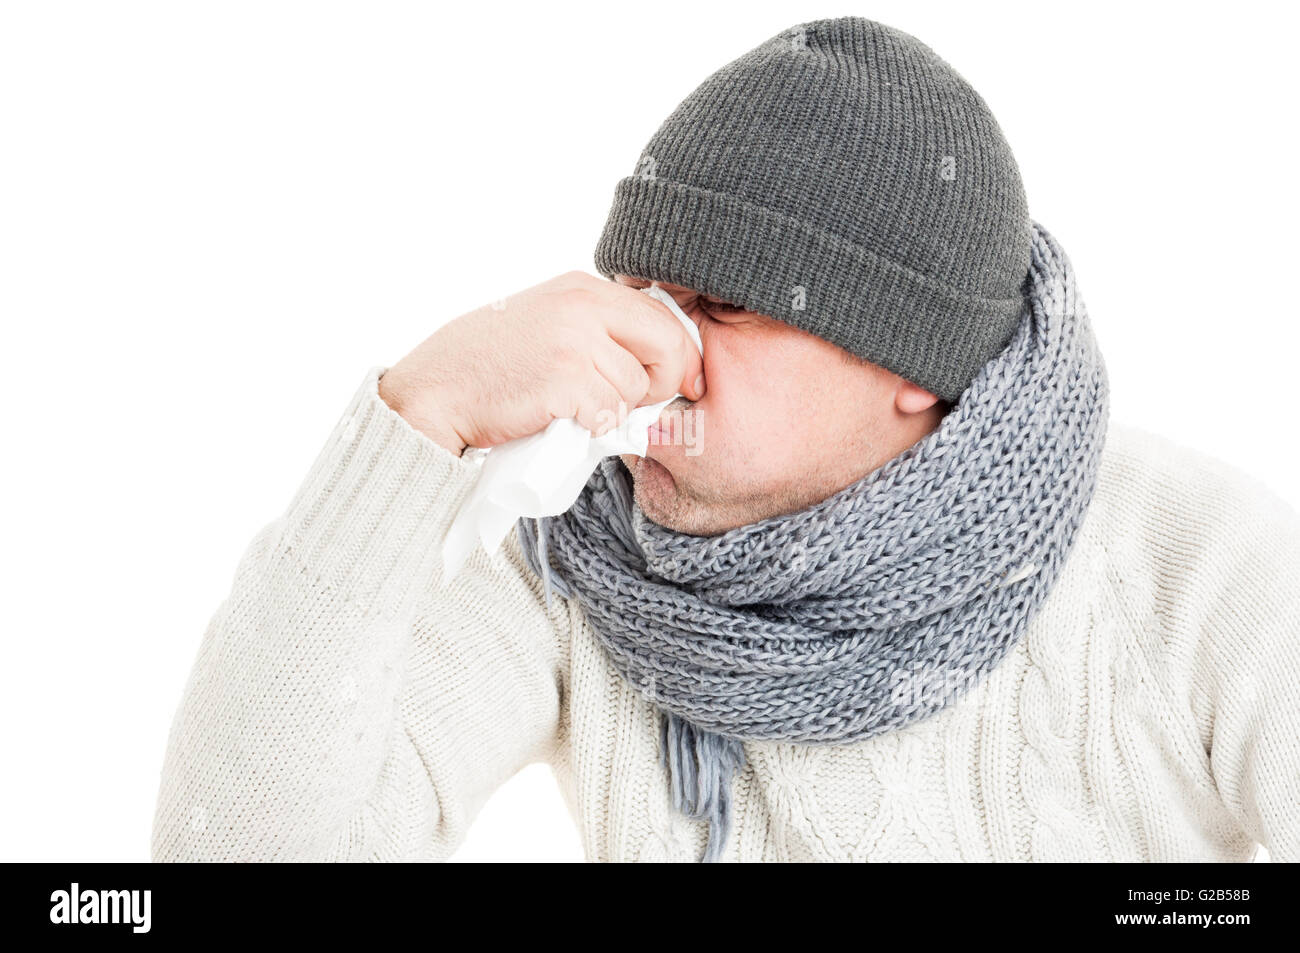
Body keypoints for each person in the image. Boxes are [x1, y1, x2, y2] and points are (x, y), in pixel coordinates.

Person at [151, 16, 1300, 863]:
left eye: (721, 307)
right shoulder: (580, 564)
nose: (654, 349)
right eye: (640, 289)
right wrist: (412, 424)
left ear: (909, 363)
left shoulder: (1195, 565)